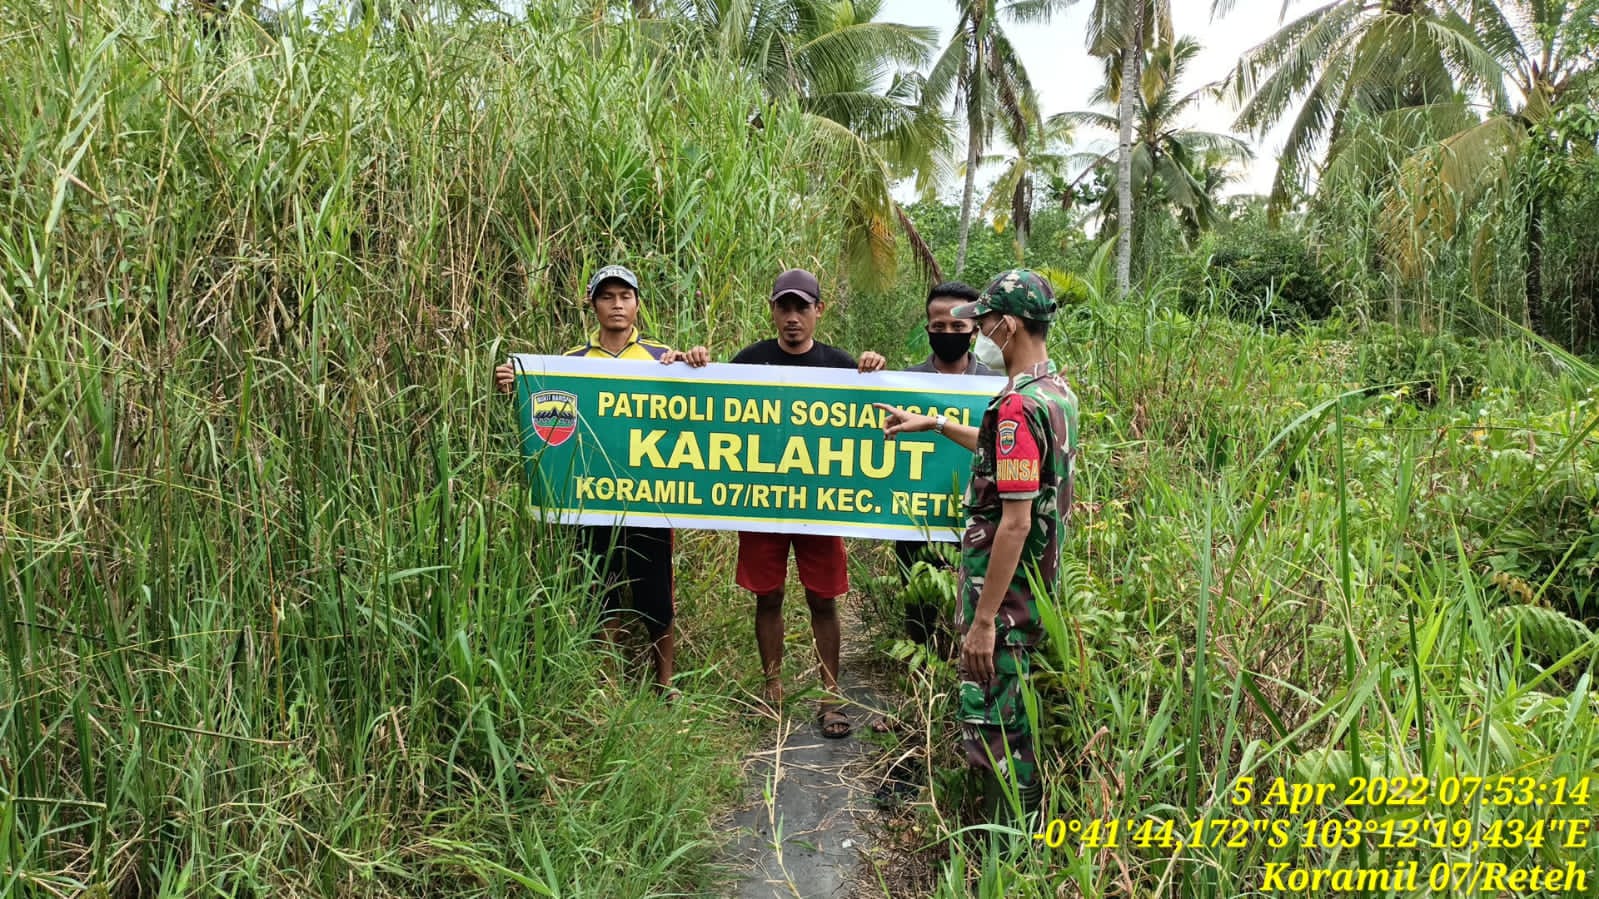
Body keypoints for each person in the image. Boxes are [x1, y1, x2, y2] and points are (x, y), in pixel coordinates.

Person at [875, 269, 1078, 821]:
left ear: (1007, 325)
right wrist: (935, 423)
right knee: (1013, 720)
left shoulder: (1016, 405)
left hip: (1004, 606)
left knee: (996, 740)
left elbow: (1013, 523)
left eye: (986, 321)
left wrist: (984, 620)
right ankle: (1019, 838)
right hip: (1033, 594)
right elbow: (1001, 453)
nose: (980, 329)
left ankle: (1002, 847)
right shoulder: (1054, 394)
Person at [495, 264, 708, 697]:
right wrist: (515, 381)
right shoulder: (571, 362)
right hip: (592, 498)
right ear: (592, 304)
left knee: (656, 595)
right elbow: (543, 402)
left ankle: (665, 685)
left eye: (625, 296)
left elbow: (696, 399)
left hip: (650, 497)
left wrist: (694, 363)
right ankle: (604, 686)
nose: (617, 305)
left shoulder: (661, 356)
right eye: (607, 297)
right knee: (600, 589)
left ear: (637, 304)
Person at [729, 268, 886, 737]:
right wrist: (692, 362)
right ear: (772, 310)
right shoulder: (747, 362)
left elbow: (878, 413)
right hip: (763, 503)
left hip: (820, 507)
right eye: (784, 307)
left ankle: (830, 699)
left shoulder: (841, 365)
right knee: (769, 595)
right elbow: (710, 410)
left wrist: (876, 369)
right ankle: (773, 691)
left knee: (822, 600)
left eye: (802, 307)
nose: (792, 317)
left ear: (819, 310)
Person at [896, 281, 997, 648]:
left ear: (975, 330)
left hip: (977, 519)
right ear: (928, 329)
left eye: (958, 327)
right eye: (939, 327)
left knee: (974, 613)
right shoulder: (903, 383)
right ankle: (922, 682)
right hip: (915, 521)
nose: (948, 333)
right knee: (920, 613)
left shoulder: (999, 385)